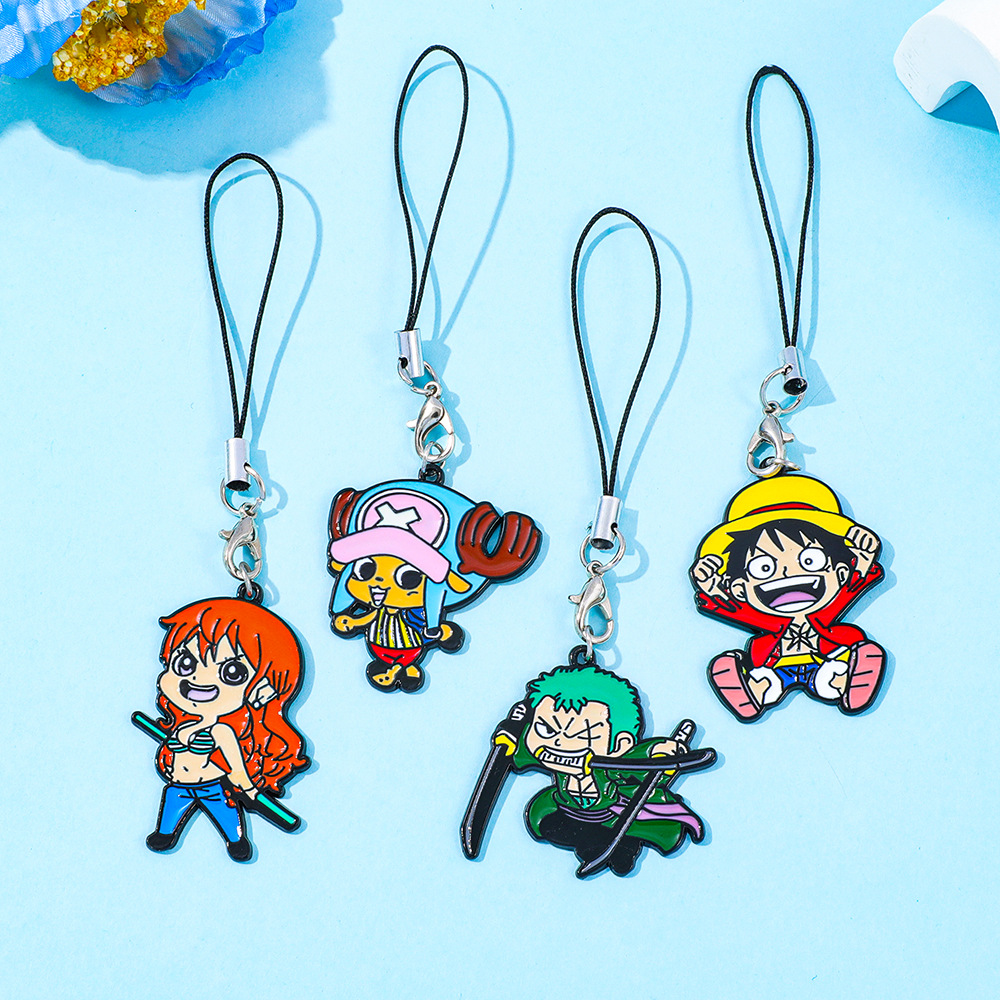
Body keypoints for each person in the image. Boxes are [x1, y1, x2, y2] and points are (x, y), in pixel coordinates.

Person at [691, 474, 885, 720]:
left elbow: (853, 586)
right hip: (775, 663)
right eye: (764, 568)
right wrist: (713, 588)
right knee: (765, 681)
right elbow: (732, 607)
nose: (786, 573)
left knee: (836, 671)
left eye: (809, 561)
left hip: (828, 654)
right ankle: (747, 690)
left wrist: (864, 560)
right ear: (740, 588)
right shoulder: (758, 616)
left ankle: (853, 678)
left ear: (840, 572)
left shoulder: (833, 602)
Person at [500, 662, 705, 876]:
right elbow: (524, 749)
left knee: (621, 839)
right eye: (546, 729)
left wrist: (659, 751)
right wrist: (510, 734)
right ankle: (595, 845)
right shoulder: (545, 750)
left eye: (583, 735)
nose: (559, 742)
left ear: (619, 745)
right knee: (543, 822)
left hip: (612, 814)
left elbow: (638, 760)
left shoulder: (612, 766)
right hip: (565, 808)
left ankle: (621, 849)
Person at [144, 597, 308, 861]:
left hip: (212, 786)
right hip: (179, 785)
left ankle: (236, 840)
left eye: (232, 672)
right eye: (185, 664)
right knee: (171, 807)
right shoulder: (181, 724)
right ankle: (164, 834)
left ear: (262, 688)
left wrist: (248, 787)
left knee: (226, 814)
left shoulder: (221, 730)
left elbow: (236, 765)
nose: (198, 679)